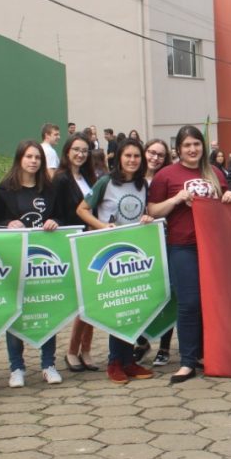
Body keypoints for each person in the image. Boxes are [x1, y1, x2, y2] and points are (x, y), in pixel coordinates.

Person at [147, 125, 231, 384]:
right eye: (187, 145)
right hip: (182, 246)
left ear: (203, 147)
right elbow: (153, 210)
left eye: (196, 144)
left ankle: (206, 354)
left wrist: (230, 195)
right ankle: (187, 362)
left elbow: (224, 207)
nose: (192, 149)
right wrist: (175, 200)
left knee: (211, 302)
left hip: (213, 246)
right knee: (189, 303)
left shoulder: (216, 173)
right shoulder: (166, 175)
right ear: (178, 149)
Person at [78, 138, 156, 385]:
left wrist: (146, 218)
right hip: (110, 254)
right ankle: (114, 362)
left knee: (133, 306)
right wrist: (103, 227)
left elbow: (146, 212)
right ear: (119, 158)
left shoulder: (143, 184)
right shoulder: (105, 182)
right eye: (128, 156)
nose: (132, 160)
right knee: (118, 307)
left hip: (134, 254)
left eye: (136, 156)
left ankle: (128, 360)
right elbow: (81, 210)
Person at [0, 140, 62, 388]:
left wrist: (55, 221)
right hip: (15, 262)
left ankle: (48, 364)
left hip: (44, 263)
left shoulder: (50, 190)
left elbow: (63, 216)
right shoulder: (4, 191)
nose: (33, 161)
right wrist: (7, 224)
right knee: (16, 313)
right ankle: (16, 368)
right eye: (29, 156)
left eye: (38, 158)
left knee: (47, 310)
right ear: (19, 159)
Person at [51, 133, 99, 374]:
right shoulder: (60, 179)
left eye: (84, 150)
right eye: (76, 150)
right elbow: (55, 212)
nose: (80, 154)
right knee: (82, 302)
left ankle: (87, 350)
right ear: (67, 151)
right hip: (72, 243)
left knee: (91, 301)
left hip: (91, 242)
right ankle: (72, 351)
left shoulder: (90, 177)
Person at [140, 139, 173, 366]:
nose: (155, 158)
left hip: (165, 239)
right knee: (144, 293)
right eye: (151, 152)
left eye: (160, 155)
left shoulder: (167, 178)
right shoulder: (133, 179)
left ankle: (164, 347)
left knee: (167, 295)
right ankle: (142, 342)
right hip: (140, 243)